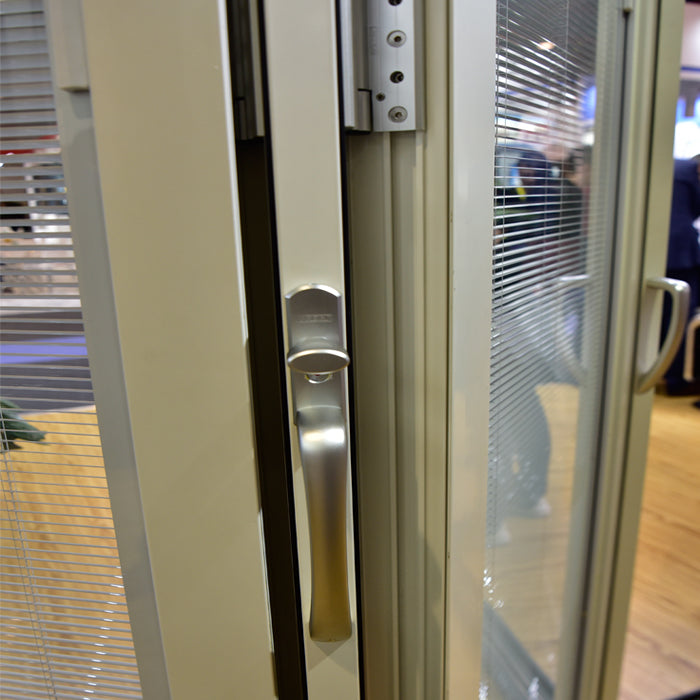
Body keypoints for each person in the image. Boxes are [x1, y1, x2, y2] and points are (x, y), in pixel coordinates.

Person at [662, 157, 700, 395]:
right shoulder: (690, 174)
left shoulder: (668, 165)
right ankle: (676, 378)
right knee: (680, 315)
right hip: (682, 255)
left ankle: (659, 370)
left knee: (660, 314)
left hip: (655, 252)